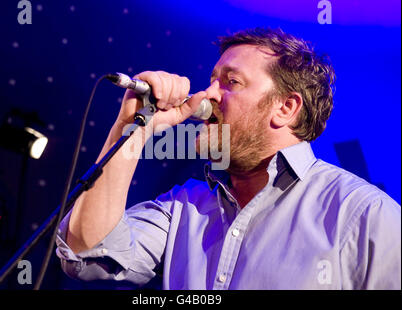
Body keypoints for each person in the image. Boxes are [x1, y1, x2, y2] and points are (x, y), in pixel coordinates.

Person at [55, 27, 401, 289]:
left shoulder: (364, 215)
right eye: (212, 81)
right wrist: (132, 127)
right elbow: (86, 250)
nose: (207, 95)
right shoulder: (185, 206)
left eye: (231, 82)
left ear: (286, 108)